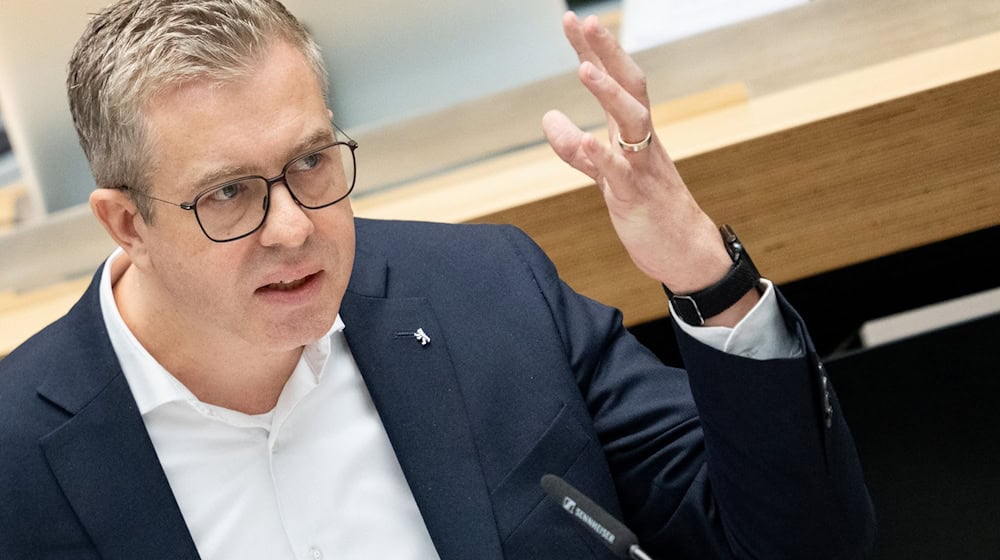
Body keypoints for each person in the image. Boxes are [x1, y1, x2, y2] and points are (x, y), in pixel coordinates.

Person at [0, 1, 875, 558]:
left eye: (310, 161)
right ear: (125, 223)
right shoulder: (18, 462)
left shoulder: (485, 296)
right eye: (228, 194)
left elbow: (803, 542)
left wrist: (706, 279)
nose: (295, 227)